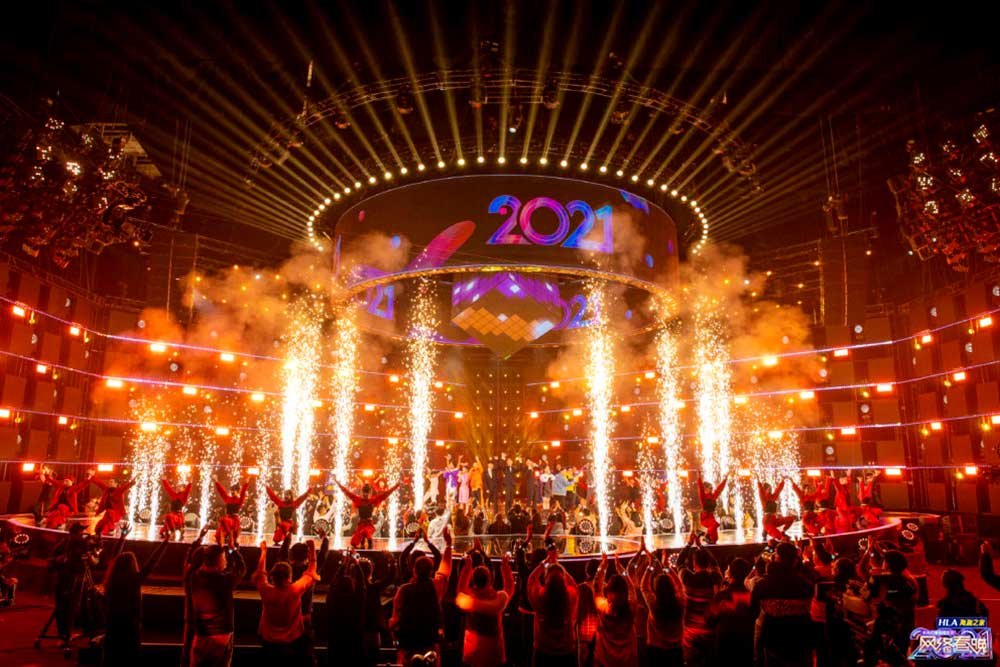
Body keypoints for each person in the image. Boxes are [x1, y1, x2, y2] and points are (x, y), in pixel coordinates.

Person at [101, 532, 170, 665]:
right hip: (130, 627)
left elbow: (114, 559)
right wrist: (165, 543)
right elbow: (152, 562)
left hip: (112, 625)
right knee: (129, 656)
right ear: (133, 565)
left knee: (111, 655)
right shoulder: (134, 580)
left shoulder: (110, 582)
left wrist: (121, 539)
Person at [252, 539, 319, 664]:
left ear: (272, 576)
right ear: (289, 577)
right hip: (292, 639)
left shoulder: (266, 591)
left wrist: (263, 553)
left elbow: (260, 574)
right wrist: (312, 551)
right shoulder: (294, 590)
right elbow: (311, 572)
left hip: (269, 640)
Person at [750, 541, 814, 667]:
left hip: (773, 638)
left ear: (776, 558)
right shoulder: (806, 585)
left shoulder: (763, 585)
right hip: (801, 638)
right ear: (795, 561)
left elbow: (753, 613)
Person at [187, 541, 246, 666]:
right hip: (221, 636)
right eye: (224, 558)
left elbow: (194, 563)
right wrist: (233, 550)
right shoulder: (226, 581)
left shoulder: (194, 577)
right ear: (219, 561)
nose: (226, 561)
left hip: (201, 634)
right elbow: (241, 568)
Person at [455, 552, 515, 667]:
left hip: (473, 648)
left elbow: (461, 589)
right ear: (489, 580)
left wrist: (467, 567)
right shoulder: (499, 600)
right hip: (493, 648)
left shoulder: (466, 600)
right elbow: (509, 586)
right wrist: (505, 566)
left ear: (473, 580)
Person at [527, 548, 579, 665]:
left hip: (543, 651)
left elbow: (532, 579)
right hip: (567, 651)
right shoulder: (570, 596)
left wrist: (546, 561)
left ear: (546, 580)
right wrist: (557, 564)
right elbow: (574, 585)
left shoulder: (539, 597)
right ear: (564, 580)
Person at [677, 533, 723, 666]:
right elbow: (715, 563)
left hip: (690, 630)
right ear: (707, 563)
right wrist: (701, 546)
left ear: (694, 563)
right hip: (710, 629)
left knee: (691, 662)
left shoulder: (688, 578)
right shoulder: (715, 578)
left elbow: (679, 563)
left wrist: (688, 544)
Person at [707, 557, 754, 666]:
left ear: (730, 573)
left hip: (725, 646)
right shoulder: (750, 596)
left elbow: (709, 619)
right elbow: (754, 615)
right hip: (745, 646)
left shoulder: (721, 596)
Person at [640, 550, 685, 666]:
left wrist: (650, 566)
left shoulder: (654, 605)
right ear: (672, 587)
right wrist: (667, 567)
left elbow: (644, 587)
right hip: (676, 650)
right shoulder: (680, 603)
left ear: (656, 589)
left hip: (656, 650)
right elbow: (680, 586)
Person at [593, 553, 638, 667]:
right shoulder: (631, 608)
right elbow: (631, 588)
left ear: (608, 592)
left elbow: (597, 588)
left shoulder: (603, 607)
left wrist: (603, 566)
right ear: (625, 592)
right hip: (627, 662)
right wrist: (621, 569)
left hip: (605, 662)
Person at [335, 479, 401, 549]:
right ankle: (362, 545)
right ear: (362, 493)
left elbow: (385, 494)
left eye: (367, 493)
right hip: (361, 524)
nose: (365, 494)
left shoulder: (372, 500)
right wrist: (338, 483)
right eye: (364, 493)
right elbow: (347, 492)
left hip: (368, 524)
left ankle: (369, 545)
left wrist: (396, 486)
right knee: (353, 542)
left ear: (369, 493)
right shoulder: (359, 500)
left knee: (366, 532)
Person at [213, 479, 249, 546]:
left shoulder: (239, 500)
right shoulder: (228, 498)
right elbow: (222, 492)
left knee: (225, 520)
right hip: (228, 519)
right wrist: (216, 481)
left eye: (233, 491)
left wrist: (246, 483)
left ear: (237, 491)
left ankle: (231, 539)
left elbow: (243, 492)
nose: (232, 492)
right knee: (222, 525)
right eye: (231, 490)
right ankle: (221, 541)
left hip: (234, 520)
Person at [696, 474, 727, 544]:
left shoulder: (713, 496)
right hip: (705, 517)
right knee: (714, 524)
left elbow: (719, 489)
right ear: (705, 489)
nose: (711, 489)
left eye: (712, 488)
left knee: (715, 539)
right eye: (710, 488)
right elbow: (700, 488)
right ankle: (705, 534)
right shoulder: (703, 497)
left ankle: (706, 537)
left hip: (711, 517)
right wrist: (699, 477)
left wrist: (725, 479)